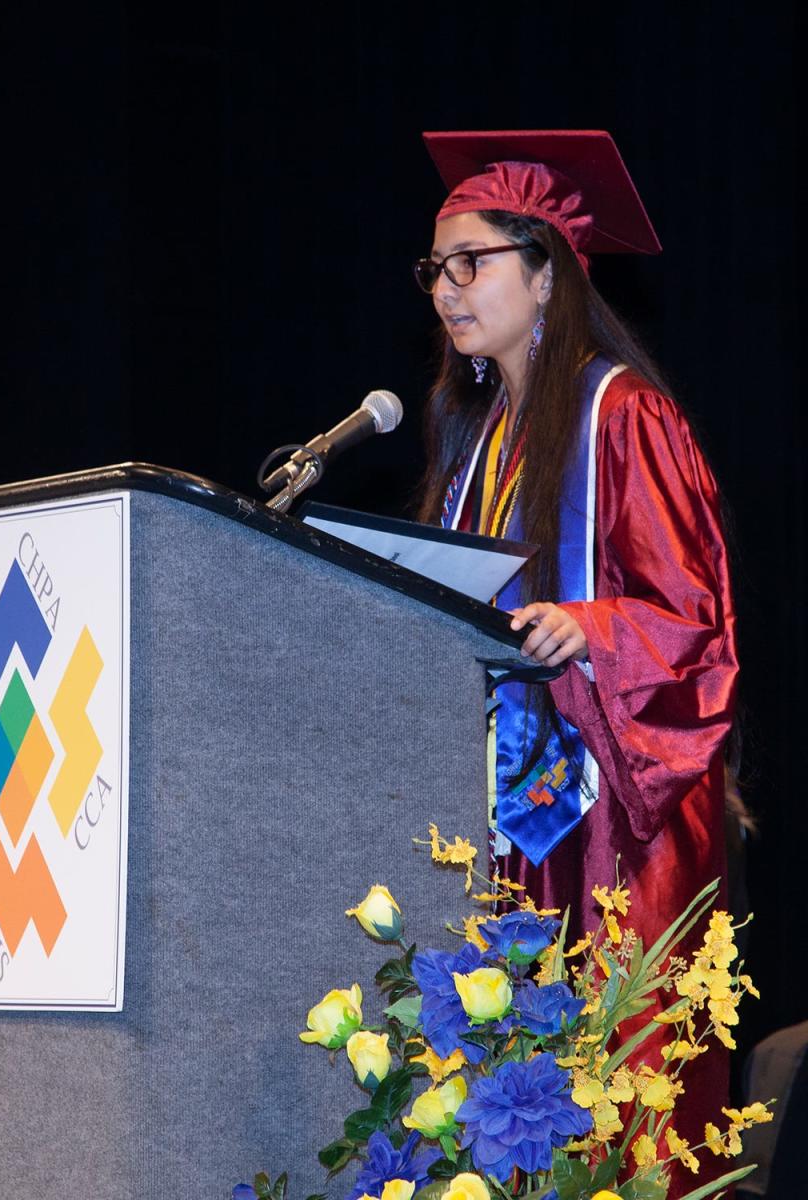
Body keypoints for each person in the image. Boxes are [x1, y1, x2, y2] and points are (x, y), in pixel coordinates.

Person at [414, 131, 739, 1185]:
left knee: (618, 1119)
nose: (448, 289)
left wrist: (587, 629)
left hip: (615, 828)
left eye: (474, 263)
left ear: (546, 273)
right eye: (435, 269)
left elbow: (696, 624)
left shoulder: (626, 418)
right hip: (511, 829)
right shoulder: (475, 443)